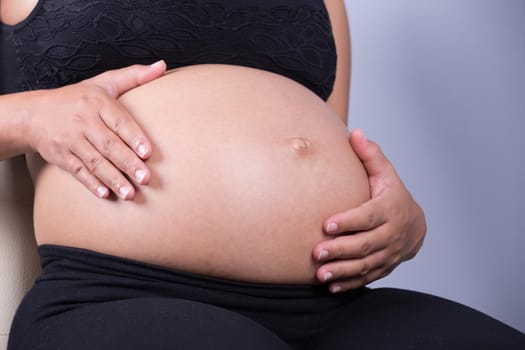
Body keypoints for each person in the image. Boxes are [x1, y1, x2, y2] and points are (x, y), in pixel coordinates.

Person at [1, 0, 523, 349]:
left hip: (331, 303)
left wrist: (399, 217)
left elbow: (329, 133)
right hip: (122, 293)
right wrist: (30, 115)